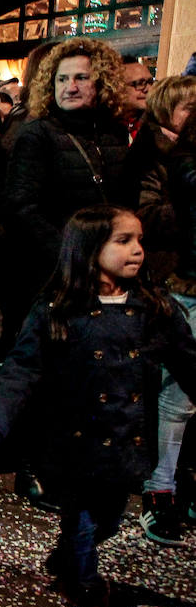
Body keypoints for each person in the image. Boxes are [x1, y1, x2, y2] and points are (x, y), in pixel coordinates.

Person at [0, 205, 196, 607]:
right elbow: (20, 371)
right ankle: (93, 595)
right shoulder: (58, 309)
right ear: (91, 248)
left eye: (139, 240)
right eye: (123, 240)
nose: (137, 250)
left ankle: (69, 558)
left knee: (109, 519)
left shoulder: (155, 308)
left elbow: (189, 362)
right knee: (81, 520)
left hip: (127, 438)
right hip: (71, 442)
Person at [2, 36, 133, 282]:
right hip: (57, 269)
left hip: (110, 262)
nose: (70, 87)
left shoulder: (114, 132)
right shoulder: (36, 134)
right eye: (62, 79)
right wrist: (72, 255)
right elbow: (22, 210)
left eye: (81, 78)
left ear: (102, 83)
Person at [129, 76, 196, 543]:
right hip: (176, 283)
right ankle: (160, 491)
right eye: (189, 107)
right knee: (177, 395)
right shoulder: (154, 156)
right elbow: (145, 217)